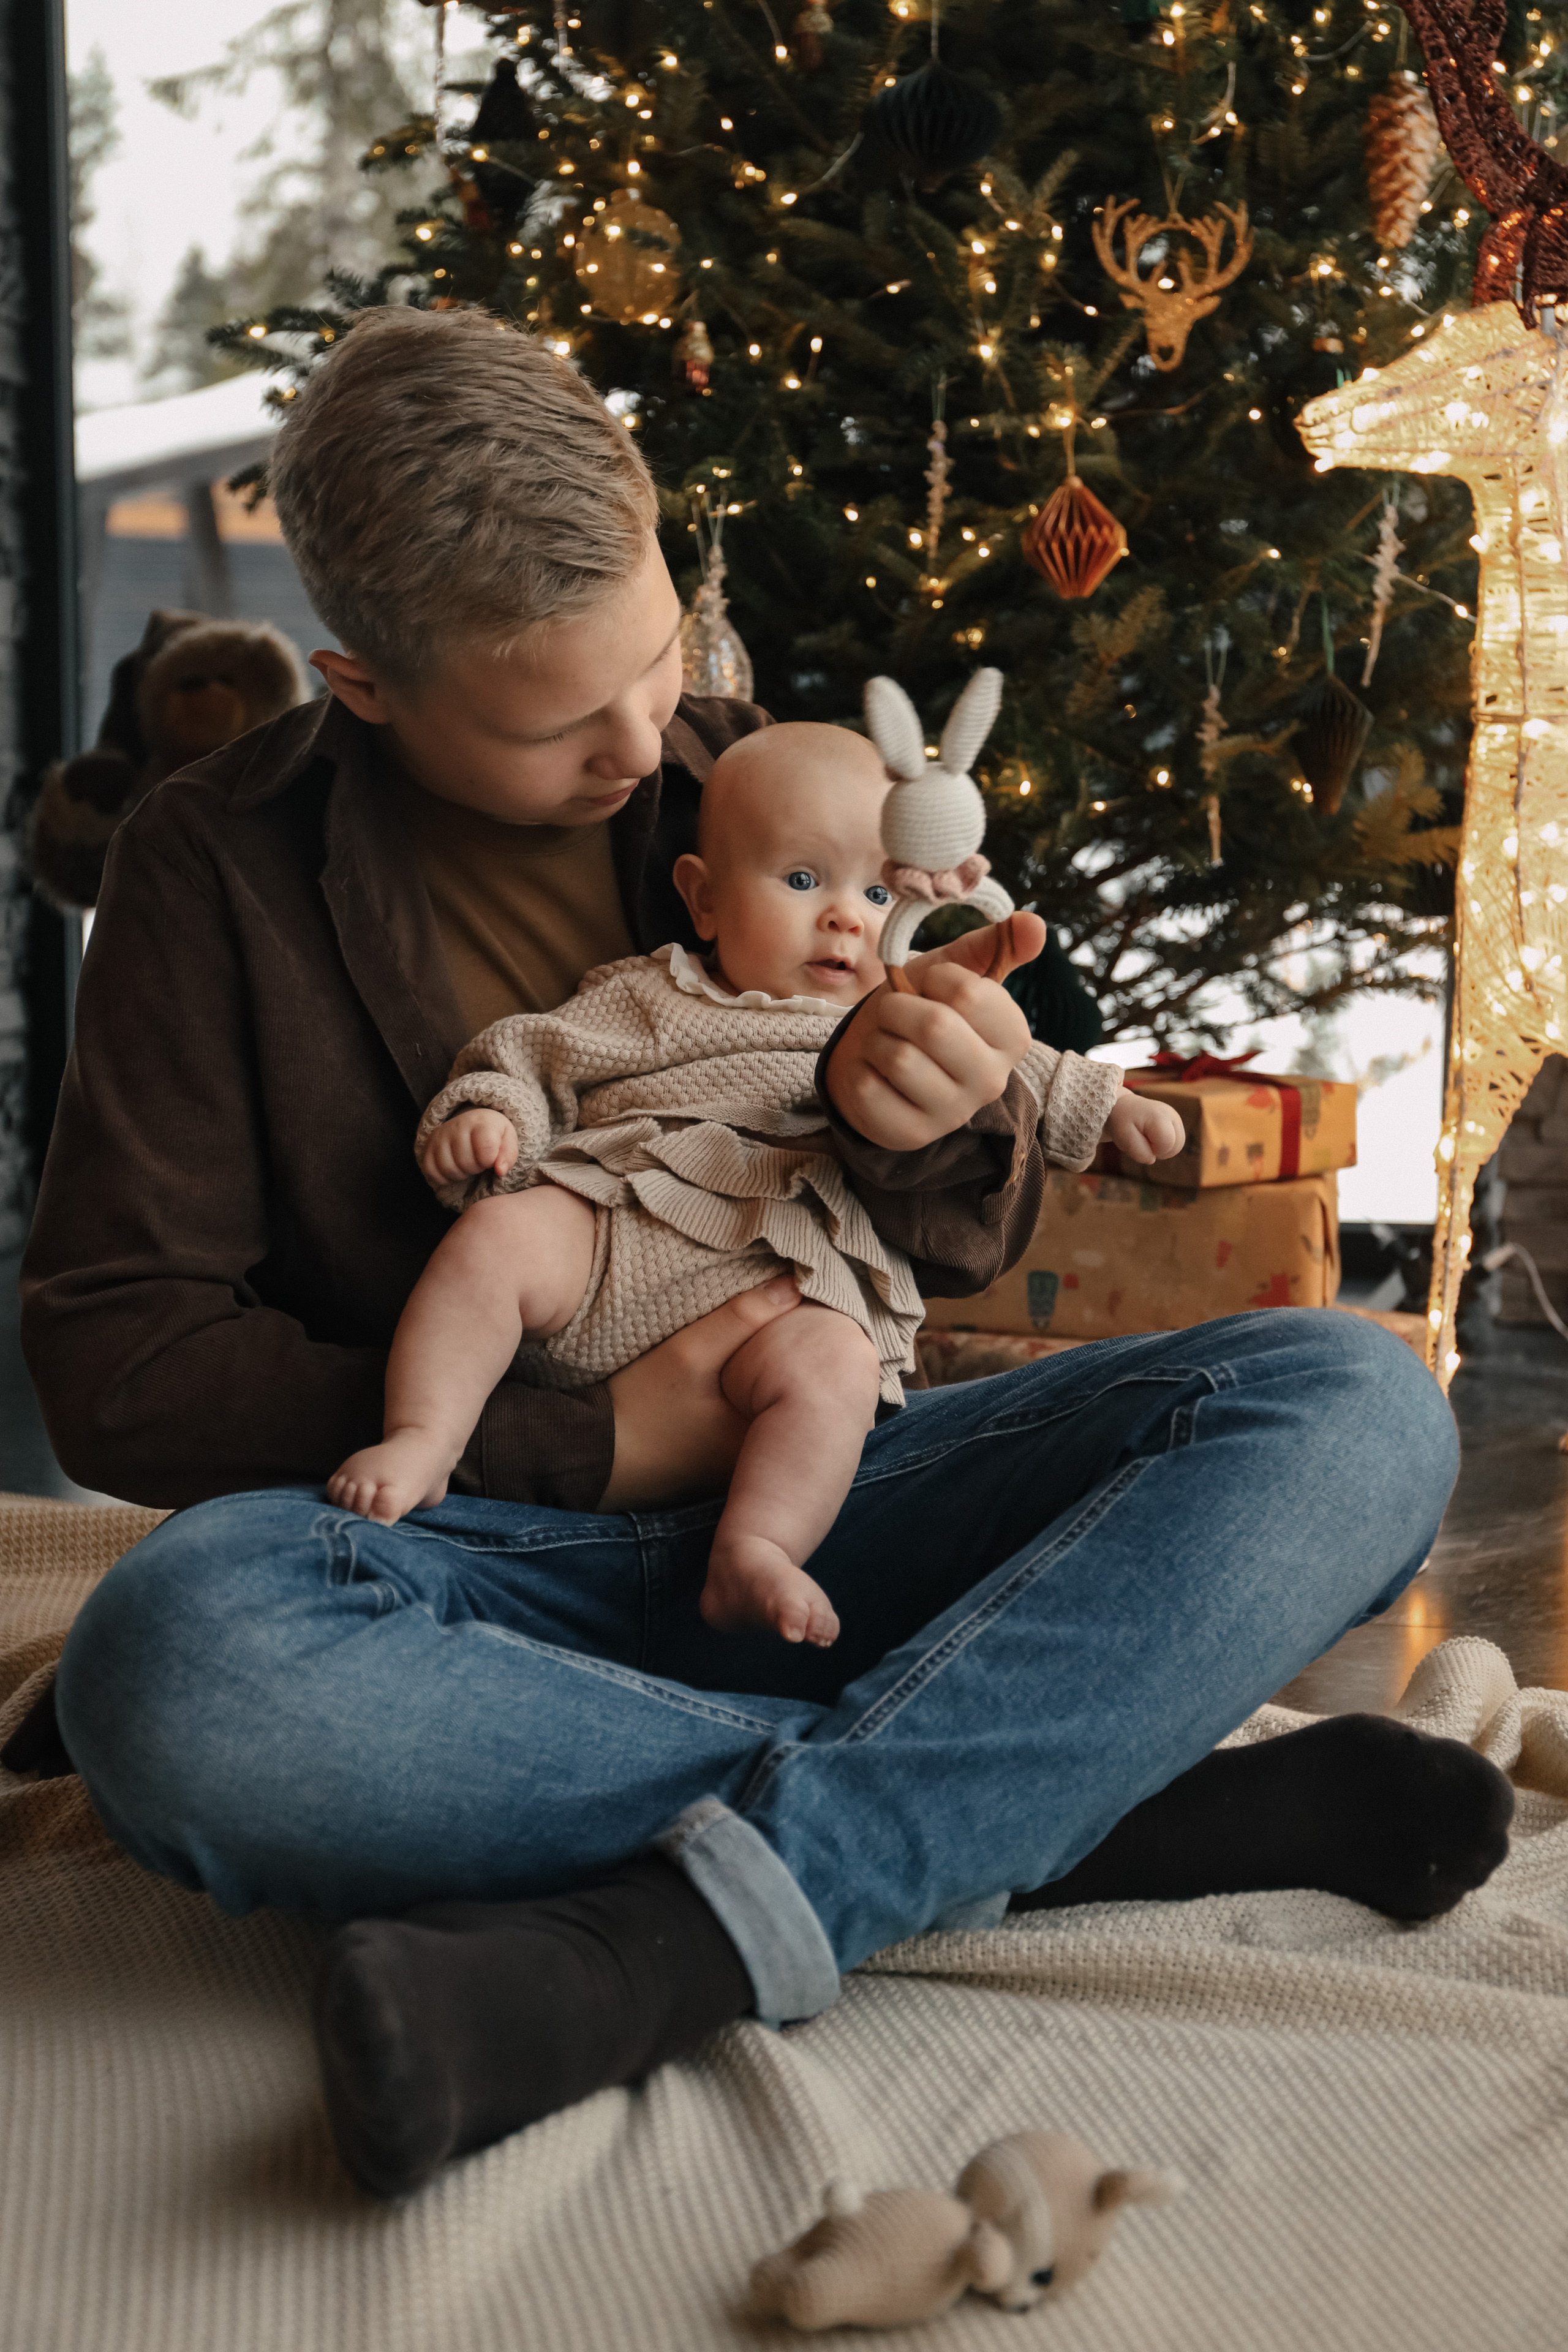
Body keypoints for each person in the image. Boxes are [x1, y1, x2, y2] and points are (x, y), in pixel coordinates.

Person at [16, 309, 1512, 2206]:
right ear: (367, 689)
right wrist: (590, 1449)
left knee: (1351, 1402)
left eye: (661, 665)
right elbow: (120, 1357)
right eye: (565, 723)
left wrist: (937, 1112)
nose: (648, 752)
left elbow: (961, 1219)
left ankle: (680, 1938)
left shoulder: (748, 778)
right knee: (172, 1672)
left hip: (839, 1489)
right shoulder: (209, 866)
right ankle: (1077, 1795)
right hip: (459, 1566)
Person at [325, 718, 1183, 1644]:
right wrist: (491, 1117)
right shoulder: (648, 995)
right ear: (702, 899)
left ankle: (760, 1547)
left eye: (879, 890)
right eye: (803, 880)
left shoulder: (898, 1012)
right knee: (497, 1239)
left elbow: (1023, 1067)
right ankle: (426, 1435)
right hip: (619, 1234)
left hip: (787, 1286)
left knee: (839, 1370)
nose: (847, 916)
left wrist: (1110, 1109)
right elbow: (529, 1055)